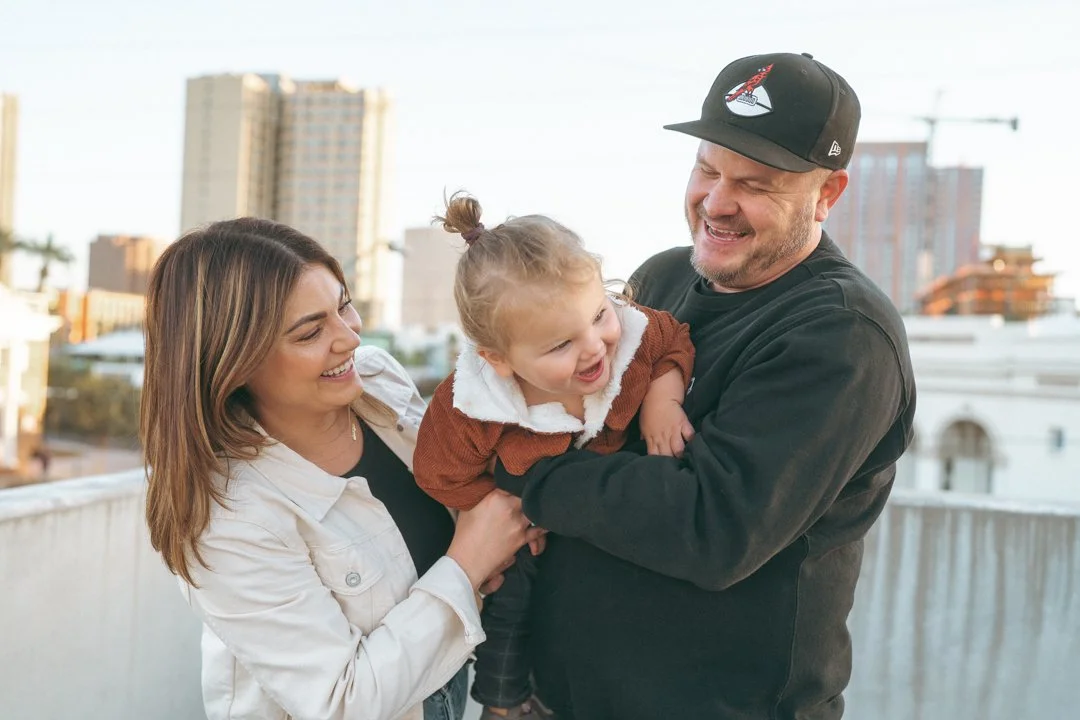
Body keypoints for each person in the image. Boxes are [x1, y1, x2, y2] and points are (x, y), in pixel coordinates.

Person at [492, 52, 917, 719]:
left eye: (756, 184)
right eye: (708, 169)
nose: (716, 203)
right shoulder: (660, 279)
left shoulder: (841, 334)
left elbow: (714, 529)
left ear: (826, 195)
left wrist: (527, 469)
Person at [140, 217, 542, 720]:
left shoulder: (374, 377)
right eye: (310, 331)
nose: (349, 337)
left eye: (344, 305)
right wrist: (469, 563)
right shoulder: (227, 517)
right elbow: (339, 702)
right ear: (234, 362)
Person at [412, 193, 695, 718]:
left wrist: (663, 395)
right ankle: (501, 701)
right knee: (511, 600)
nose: (594, 347)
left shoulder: (630, 341)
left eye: (598, 315)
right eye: (560, 345)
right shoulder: (473, 408)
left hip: (599, 516)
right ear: (498, 359)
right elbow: (436, 472)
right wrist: (501, 508)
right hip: (530, 520)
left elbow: (671, 337)